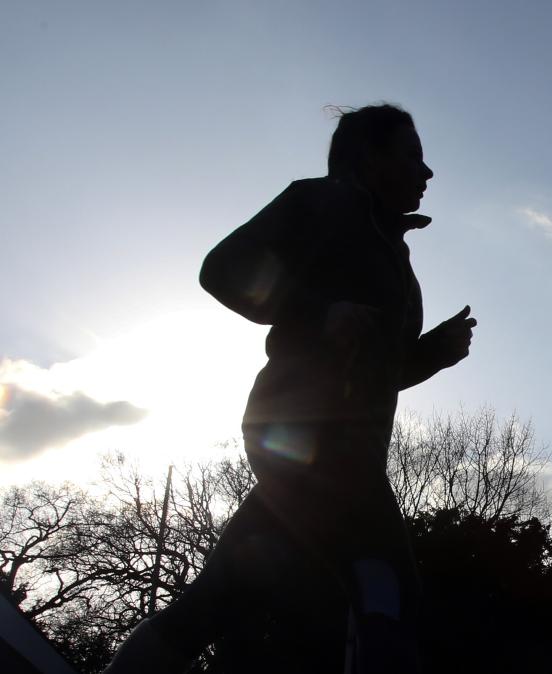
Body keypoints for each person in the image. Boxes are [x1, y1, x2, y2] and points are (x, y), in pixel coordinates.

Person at [104, 103, 474, 674]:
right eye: (412, 156)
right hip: (305, 434)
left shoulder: (397, 257)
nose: (427, 174)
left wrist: (433, 354)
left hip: (344, 446)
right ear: (370, 159)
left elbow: (380, 369)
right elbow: (223, 269)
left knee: (220, 595)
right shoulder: (322, 201)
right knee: (389, 587)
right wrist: (318, 312)